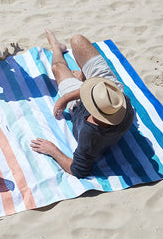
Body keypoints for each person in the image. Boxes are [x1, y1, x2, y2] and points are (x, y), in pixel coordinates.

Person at [30, 29, 135, 178]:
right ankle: (84, 77)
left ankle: (56, 47)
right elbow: (103, 92)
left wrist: (53, 150)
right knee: (77, 40)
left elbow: (78, 170)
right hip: (108, 88)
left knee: (58, 67)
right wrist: (66, 97)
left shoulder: (89, 136)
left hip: (84, 103)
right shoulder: (120, 103)